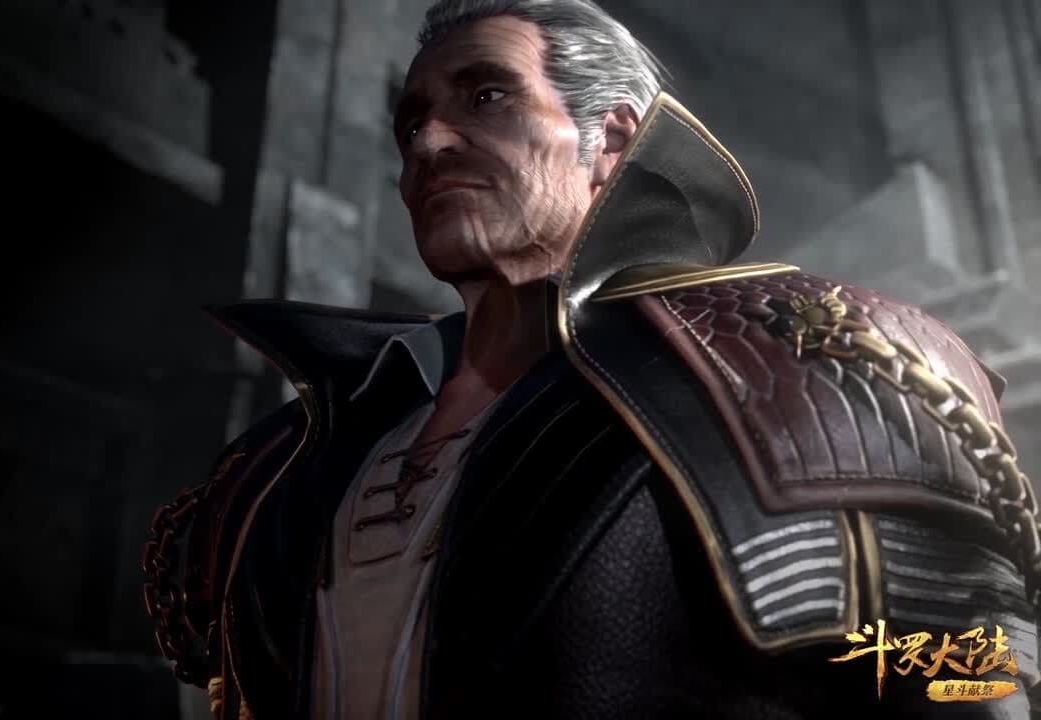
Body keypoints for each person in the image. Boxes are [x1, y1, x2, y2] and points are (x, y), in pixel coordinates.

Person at [141, 1, 1040, 717]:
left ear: (609, 139)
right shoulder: (294, 454)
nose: (428, 143)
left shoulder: (802, 370)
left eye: (486, 98)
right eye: (411, 121)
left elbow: (968, 681)